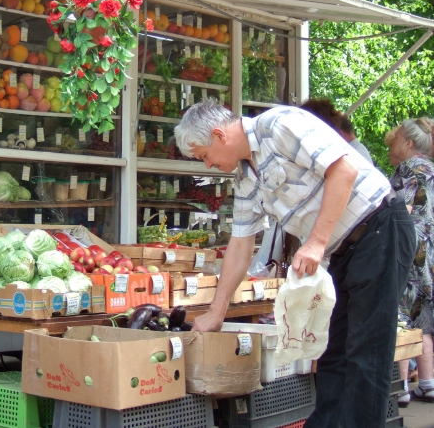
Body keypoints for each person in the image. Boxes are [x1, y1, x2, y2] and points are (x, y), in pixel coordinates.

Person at [174, 100, 416, 427]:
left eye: (204, 155)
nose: (207, 165)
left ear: (219, 135)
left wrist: (315, 243)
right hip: (342, 252)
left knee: (365, 355)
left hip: (379, 229)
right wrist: (216, 313)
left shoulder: (280, 124)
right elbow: (240, 246)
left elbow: (343, 169)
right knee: (333, 354)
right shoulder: (245, 179)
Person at [385, 118, 434, 406]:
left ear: (409, 142)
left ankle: (400, 386)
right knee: (423, 317)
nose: (393, 142)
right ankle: (427, 382)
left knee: (401, 314)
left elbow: (402, 209)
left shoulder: (410, 169)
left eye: (397, 137)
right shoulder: (431, 169)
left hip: (410, 251)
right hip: (429, 253)